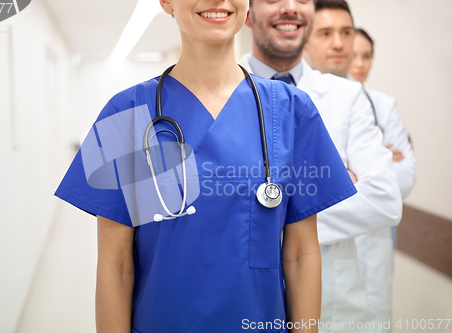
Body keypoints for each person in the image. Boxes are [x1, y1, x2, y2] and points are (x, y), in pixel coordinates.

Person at [55, 0, 358, 332]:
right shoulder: (126, 112)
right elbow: (116, 265)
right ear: (166, 2)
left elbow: (301, 255)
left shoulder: (290, 111)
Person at [240, 0, 402, 332]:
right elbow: (215, 205)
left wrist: (264, 212)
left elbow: (384, 199)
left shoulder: (347, 96)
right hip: (244, 303)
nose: (290, 8)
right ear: (246, 12)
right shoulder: (219, 92)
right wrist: (330, 189)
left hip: (335, 311)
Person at [348, 27, 417, 331]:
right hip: (327, 239)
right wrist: (380, 158)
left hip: (375, 241)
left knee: (374, 317)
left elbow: (404, 180)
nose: (361, 63)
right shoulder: (317, 98)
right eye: (355, 54)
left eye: (368, 56)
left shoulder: (383, 105)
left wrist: (354, 170)